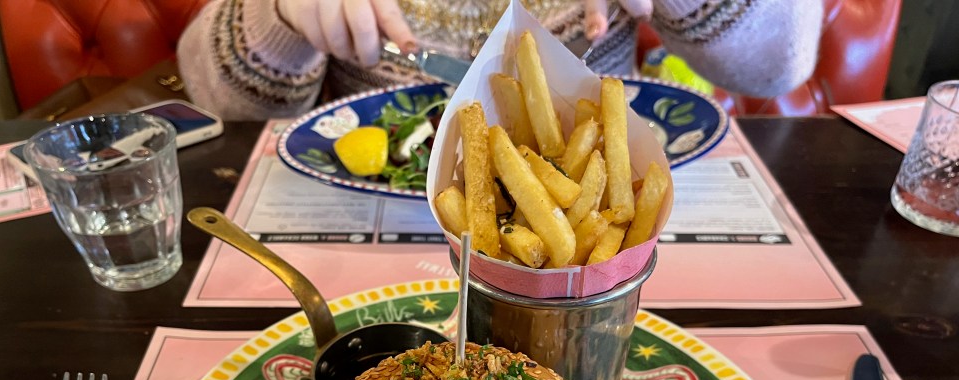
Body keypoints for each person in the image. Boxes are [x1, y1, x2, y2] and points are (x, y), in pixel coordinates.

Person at [177, 0, 823, 120]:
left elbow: (777, 70)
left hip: (597, 218)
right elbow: (216, 101)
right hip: (368, 219)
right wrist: (281, 16)